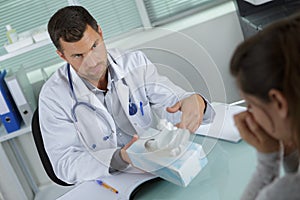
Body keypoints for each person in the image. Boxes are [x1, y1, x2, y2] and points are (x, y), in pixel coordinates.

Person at [39, 6, 215, 184]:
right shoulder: (53, 97)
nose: (92, 62)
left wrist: (195, 102)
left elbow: (172, 104)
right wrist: (120, 158)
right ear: (62, 56)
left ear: (100, 32)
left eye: (94, 46)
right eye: (78, 55)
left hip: (156, 169)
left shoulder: (133, 63)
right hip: (106, 181)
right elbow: (64, 164)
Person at [231, 13, 300, 200]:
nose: (249, 113)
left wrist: (268, 160)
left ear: (278, 102)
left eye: (251, 105)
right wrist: (291, 150)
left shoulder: (282, 193)